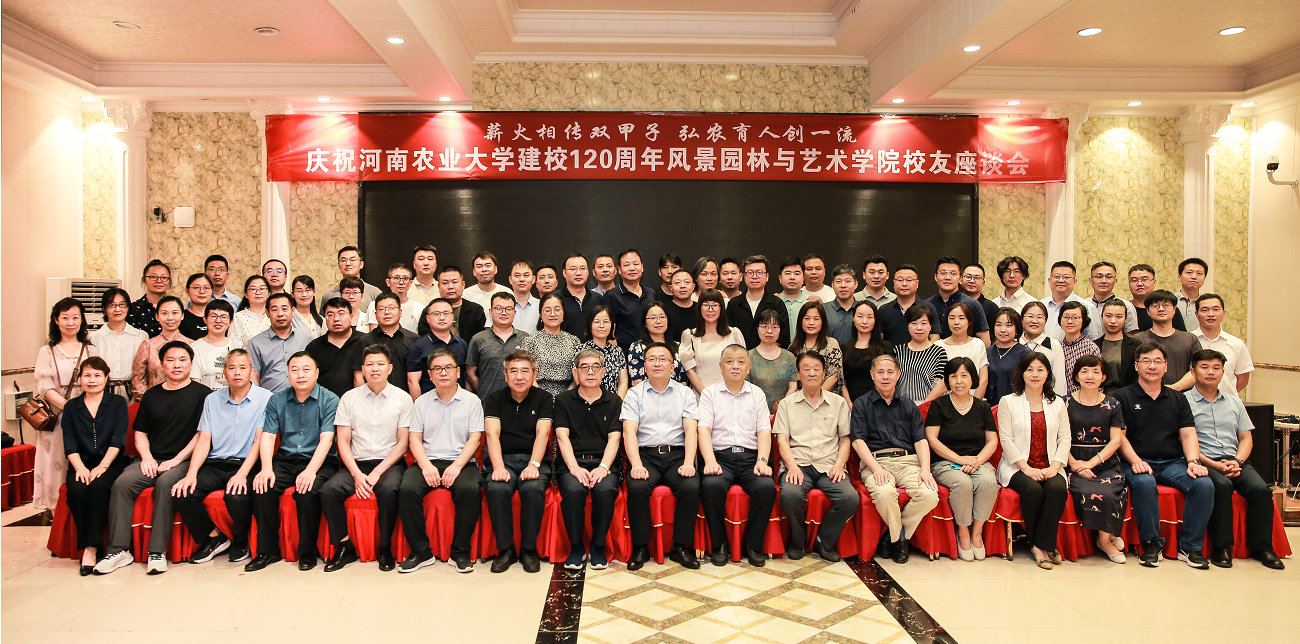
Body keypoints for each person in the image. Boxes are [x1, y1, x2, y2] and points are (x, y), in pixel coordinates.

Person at [97, 341, 210, 575]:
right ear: (161, 364)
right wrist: (147, 458)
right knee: (122, 484)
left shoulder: (204, 395)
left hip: (184, 461)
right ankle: (119, 550)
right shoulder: (151, 395)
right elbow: (140, 432)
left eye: (182, 360)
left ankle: (156, 551)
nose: (177, 365)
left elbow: (203, 434)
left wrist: (177, 460)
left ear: (191, 364)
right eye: (170, 360)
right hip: (152, 458)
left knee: (166, 484)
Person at [1114, 343, 1213, 568]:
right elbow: (1120, 437)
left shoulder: (1178, 398)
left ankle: (1190, 547)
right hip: (1136, 461)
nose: (1152, 366)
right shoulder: (1122, 397)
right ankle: (1151, 544)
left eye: (1157, 361)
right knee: (1144, 482)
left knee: (1204, 484)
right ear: (1137, 366)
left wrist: (1193, 462)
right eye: (1146, 361)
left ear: (1166, 366)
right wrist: (1136, 461)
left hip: (1172, 462)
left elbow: (1188, 435)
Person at [1185, 349, 1284, 569]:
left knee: (1261, 490)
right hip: (1203, 461)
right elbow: (1184, 441)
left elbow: (1246, 438)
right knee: (1222, 486)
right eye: (1204, 367)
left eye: (1216, 368)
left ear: (1223, 372)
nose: (1211, 372)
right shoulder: (1183, 402)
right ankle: (1222, 548)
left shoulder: (1234, 402)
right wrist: (1213, 464)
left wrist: (1237, 461)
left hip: (1234, 459)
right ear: (1192, 371)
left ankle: (1263, 549)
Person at [172, 350, 271, 566]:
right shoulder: (212, 399)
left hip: (248, 463)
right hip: (216, 463)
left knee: (236, 495)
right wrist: (191, 474)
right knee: (183, 492)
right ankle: (215, 537)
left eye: (242, 368)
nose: (237, 373)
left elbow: (259, 441)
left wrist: (241, 474)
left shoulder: (265, 398)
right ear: (224, 372)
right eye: (232, 368)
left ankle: (241, 540)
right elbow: (204, 440)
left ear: (251, 370)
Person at [320, 345, 411, 572]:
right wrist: (356, 475)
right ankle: (345, 547)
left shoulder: (403, 399)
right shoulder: (349, 398)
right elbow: (343, 441)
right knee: (329, 490)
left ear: (390, 368)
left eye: (380, 364)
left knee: (389, 490)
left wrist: (378, 472)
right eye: (370, 364)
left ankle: (384, 548)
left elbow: (403, 443)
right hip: (357, 463)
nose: (375, 369)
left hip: (389, 463)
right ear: (362, 369)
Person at [247, 352, 339, 572]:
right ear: (288, 374)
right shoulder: (277, 400)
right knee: (262, 487)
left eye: (306, 369)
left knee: (307, 491)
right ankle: (267, 551)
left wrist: (310, 471)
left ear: (317, 373)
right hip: (286, 460)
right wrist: (266, 468)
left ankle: (307, 552)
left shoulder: (330, 399)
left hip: (319, 461)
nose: (300, 375)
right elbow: (268, 436)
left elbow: (327, 439)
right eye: (294, 370)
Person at [851, 353, 939, 564]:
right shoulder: (861, 404)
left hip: (908, 462)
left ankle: (896, 535)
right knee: (884, 493)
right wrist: (876, 469)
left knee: (929, 495)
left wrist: (925, 470)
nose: (885, 376)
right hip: (877, 462)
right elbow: (857, 442)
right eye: (880, 372)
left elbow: (920, 440)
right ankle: (899, 539)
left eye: (890, 372)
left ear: (898, 375)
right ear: (872, 375)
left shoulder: (909, 406)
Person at [622, 343, 702, 570]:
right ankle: (641, 547)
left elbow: (691, 431)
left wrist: (689, 462)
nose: (657, 363)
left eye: (663, 359)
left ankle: (680, 547)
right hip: (646, 456)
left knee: (690, 486)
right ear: (644, 365)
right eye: (652, 359)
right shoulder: (634, 394)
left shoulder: (685, 393)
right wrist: (636, 464)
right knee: (637, 487)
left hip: (676, 455)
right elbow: (629, 432)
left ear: (672, 365)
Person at [698, 345, 776, 567]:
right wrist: (710, 461)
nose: (735, 366)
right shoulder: (709, 394)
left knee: (766, 487)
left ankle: (753, 545)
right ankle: (719, 545)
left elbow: (764, 430)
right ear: (721, 366)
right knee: (711, 486)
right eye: (730, 362)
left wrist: (762, 460)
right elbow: (703, 430)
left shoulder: (757, 393)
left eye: (741, 362)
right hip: (720, 457)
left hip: (751, 457)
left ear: (748, 367)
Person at [774, 351, 856, 562]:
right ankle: (798, 541)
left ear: (824, 373)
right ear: (798, 374)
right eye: (806, 369)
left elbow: (845, 439)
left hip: (829, 465)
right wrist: (791, 466)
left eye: (816, 369)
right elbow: (782, 440)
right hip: (798, 464)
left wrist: (840, 464)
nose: (811, 373)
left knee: (850, 498)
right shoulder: (786, 404)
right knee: (790, 495)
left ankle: (823, 540)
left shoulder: (838, 403)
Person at [996, 352, 1070, 569]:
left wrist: (1055, 466)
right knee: (1033, 490)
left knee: (1057, 489)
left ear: (1047, 374)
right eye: (1030, 370)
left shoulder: (1057, 403)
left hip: (1050, 465)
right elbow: (1006, 439)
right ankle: (1041, 547)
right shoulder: (1008, 401)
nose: (1035, 374)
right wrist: (1026, 469)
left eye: (1040, 370)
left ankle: (1040, 543)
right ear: (1022, 373)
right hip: (1017, 466)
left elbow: (1065, 438)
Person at [482, 350, 553, 574]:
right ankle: (506, 550)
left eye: (525, 371)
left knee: (532, 488)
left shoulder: (544, 399)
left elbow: (543, 434)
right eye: (513, 371)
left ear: (535, 374)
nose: (519, 377)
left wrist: (534, 464)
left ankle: (529, 549)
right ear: (505, 375)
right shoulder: (494, 399)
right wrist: (498, 467)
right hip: (502, 459)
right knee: (497, 488)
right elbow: (492, 434)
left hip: (534, 459)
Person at [553, 349, 623, 570]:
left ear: (603, 372)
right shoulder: (563, 400)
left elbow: (614, 438)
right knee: (574, 491)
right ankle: (576, 548)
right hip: (572, 463)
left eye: (595, 367)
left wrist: (603, 467)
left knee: (605, 490)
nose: (590, 372)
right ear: (575, 372)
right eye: (584, 367)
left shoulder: (614, 401)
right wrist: (574, 468)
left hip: (604, 462)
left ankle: (598, 546)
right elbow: (562, 437)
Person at [928, 357, 1000, 562]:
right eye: (953, 376)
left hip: (977, 461)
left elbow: (992, 441)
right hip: (945, 462)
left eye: (964, 376)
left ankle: (977, 532)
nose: (958, 381)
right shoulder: (939, 405)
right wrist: (960, 460)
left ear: (972, 379)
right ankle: (963, 533)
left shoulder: (982, 407)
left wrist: (977, 461)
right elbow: (932, 440)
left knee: (988, 482)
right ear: (947, 380)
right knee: (962, 483)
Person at [60, 358, 128, 575]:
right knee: (77, 490)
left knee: (98, 487)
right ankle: (90, 545)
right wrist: (80, 468)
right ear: (80, 379)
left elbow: (118, 440)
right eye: (87, 375)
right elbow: (69, 443)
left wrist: (103, 466)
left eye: (98, 375)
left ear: (106, 378)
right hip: (80, 463)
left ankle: (91, 548)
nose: (92, 380)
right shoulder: (71, 407)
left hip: (111, 462)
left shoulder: (117, 403)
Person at [1064, 355, 1129, 564]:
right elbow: (1057, 438)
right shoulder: (1064, 403)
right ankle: (1109, 537)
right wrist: (1075, 465)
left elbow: (1116, 441)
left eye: (1095, 372)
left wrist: (1091, 463)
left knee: (1110, 491)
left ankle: (1104, 540)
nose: (1090, 376)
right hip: (1072, 461)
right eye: (1084, 371)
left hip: (1105, 462)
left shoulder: (1113, 404)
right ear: (1076, 376)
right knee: (1088, 491)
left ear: (1104, 377)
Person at [681, 290, 747, 393]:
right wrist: (707, 396)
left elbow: (743, 364)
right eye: (706, 305)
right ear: (700, 308)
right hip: (701, 395)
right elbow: (690, 371)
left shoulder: (734, 333)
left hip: (731, 393)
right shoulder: (690, 335)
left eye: (715, 305)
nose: (710, 310)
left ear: (721, 308)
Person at [1131, 290, 1197, 390]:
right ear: (1148, 311)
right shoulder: (1137, 340)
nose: (1161, 309)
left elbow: (1198, 369)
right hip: (1147, 395)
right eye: (1155, 305)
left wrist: (1174, 388)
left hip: (1183, 395)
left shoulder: (1190, 339)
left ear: (1174, 309)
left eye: (1166, 305)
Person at [466, 293, 528, 399]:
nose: (504, 313)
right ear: (491, 312)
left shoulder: (525, 338)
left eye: (508, 309)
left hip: (519, 401)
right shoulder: (478, 339)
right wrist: (482, 392)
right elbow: (470, 373)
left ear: (514, 313)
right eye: (498, 308)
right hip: (487, 402)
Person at [90, 287, 147, 400]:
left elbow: (145, 371)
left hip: (132, 392)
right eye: (112, 305)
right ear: (104, 308)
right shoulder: (94, 337)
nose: (117, 309)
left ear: (128, 307)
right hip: (101, 391)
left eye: (122, 305)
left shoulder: (141, 336)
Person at [248, 293, 312, 393]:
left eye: (284, 309)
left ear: (293, 311)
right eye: (274, 310)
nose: (280, 314)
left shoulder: (306, 338)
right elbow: (254, 377)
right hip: (269, 399)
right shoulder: (256, 343)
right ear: (267, 313)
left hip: (302, 399)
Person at [407, 298, 470, 397]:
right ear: (428, 318)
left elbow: (466, 377)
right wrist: (419, 405)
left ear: (452, 317)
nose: (442, 318)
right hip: (429, 402)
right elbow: (412, 381)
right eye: (436, 314)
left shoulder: (462, 344)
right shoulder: (418, 347)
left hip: (458, 402)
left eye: (446, 313)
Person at [523, 293, 583, 396]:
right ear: (541, 315)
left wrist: (566, 397)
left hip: (568, 396)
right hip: (536, 395)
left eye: (557, 309)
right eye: (547, 310)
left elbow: (578, 373)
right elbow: (526, 372)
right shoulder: (530, 341)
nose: (553, 314)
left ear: (563, 313)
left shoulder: (574, 341)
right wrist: (542, 398)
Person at [1193, 294, 1253, 396]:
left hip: (1227, 403)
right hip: (1193, 403)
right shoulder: (1187, 341)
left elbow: (1243, 378)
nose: (1211, 314)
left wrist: (1224, 397)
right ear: (1196, 314)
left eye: (1216, 309)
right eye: (1205, 310)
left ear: (1224, 313)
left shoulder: (1237, 344)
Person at [130, 296, 188, 401]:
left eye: (175, 313)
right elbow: (137, 380)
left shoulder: (192, 345)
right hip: (154, 402)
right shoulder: (148, 345)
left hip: (185, 401)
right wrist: (150, 399)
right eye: (164, 313)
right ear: (157, 316)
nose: (170, 318)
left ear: (182, 315)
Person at [725, 255, 790, 349]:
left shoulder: (777, 304)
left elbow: (783, 338)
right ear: (744, 276)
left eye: (759, 272)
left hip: (768, 356)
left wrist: (760, 353)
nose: (754, 276)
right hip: (740, 356)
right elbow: (728, 335)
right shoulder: (733, 304)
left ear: (767, 276)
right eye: (750, 272)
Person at [306, 298, 365, 398]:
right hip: (324, 403)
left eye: (341, 313)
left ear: (351, 317)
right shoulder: (314, 347)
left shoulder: (365, 341)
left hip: (357, 402)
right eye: (330, 315)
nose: (336, 319)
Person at [359, 292, 418, 391]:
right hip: (373, 396)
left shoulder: (414, 340)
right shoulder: (364, 341)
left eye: (391, 308)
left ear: (400, 312)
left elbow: (416, 377)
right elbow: (359, 375)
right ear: (375, 314)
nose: (387, 312)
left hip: (405, 396)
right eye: (381, 309)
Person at [601, 249, 656, 348]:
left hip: (651, 350)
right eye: (626, 265)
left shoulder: (651, 293)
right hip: (625, 352)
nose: (632, 268)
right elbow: (608, 330)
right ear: (619, 269)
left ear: (642, 267)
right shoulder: (611, 296)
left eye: (636, 264)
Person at [841, 300, 893, 404]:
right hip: (851, 404)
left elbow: (891, 378)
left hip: (879, 403)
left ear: (875, 320)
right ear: (853, 319)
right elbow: (842, 382)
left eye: (870, 317)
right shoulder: (844, 348)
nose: (864, 321)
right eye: (860, 316)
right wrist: (850, 405)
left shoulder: (885, 347)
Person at [928, 257, 990, 344]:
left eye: (953, 273)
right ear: (935, 277)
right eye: (943, 273)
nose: (947, 277)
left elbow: (985, 340)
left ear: (960, 278)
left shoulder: (973, 304)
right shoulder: (927, 305)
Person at [627, 301, 689, 388]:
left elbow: (683, 381)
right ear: (645, 323)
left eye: (662, 317)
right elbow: (636, 381)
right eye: (653, 318)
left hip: (674, 394)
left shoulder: (678, 347)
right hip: (646, 394)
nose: (658, 321)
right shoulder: (637, 347)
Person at [747, 309, 798, 413]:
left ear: (780, 330)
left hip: (784, 410)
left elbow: (793, 388)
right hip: (755, 411)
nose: (769, 331)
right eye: (765, 327)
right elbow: (746, 389)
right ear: (757, 329)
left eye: (774, 327)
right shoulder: (748, 357)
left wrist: (780, 410)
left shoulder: (789, 357)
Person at [877, 264, 939, 347]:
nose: (904, 284)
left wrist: (925, 352)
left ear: (917, 283)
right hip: (891, 354)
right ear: (894, 283)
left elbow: (935, 336)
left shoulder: (928, 308)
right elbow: (879, 339)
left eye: (909, 280)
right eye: (900, 280)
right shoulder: (884, 310)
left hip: (921, 354)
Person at [895, 305, 947, 403]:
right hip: (901, 405)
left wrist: (923, 406)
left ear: (930, 326)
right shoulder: (898, 351)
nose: (919, 328)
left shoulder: (939, 352)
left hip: (929, 405)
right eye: (914, 323)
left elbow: (941, 385)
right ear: (908, 326)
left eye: (924, 323)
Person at [788, 301, 843, 393]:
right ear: (801, 321)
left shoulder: (831, 344)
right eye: (807, 318)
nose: (811, 323)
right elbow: (792, 379)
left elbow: (833, 376)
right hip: (800, 397)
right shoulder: (793, 347)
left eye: (816, 319)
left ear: (823, 322)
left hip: (826, 396)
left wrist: (816, 396)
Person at [936, 303, 988, 399]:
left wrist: (975, 404)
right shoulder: (938, 346)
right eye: (952, 318)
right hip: (946, 402)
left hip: (974, 400)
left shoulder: (978, 344)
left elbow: (983, 379)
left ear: (969, 322)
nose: (956, 322)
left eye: (961, 318)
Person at [1092, 300, 1142, 395]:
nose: (1113, 321)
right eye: (1108, 316)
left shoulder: (1136, 346)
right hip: (1098, 396)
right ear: (1101, 317)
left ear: (1125, 319)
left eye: (1119, 316)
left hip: (1128, 396)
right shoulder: (1093, 346)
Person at [578, 306, 629, 398]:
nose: (601, 326)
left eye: (606, 322)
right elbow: (578, 380)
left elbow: (623, 383)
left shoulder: (617, 351)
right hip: (587, 401)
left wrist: (617, 402)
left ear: (611, 325)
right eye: (597, 322)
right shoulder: (581, 350)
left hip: (614, 402)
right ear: (590, 325)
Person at [1019, 301, 1067, 396]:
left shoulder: (1053, 345)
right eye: (1030, 316)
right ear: (1021, 319)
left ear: (1045, 321)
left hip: (1046, 399)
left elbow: (1059, 379)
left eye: (1039, 317)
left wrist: (1056, 400)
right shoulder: (1015, 343)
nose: (1034, 321)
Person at [986, 308, 1029, 406]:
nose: (1003, 330)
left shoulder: (1025, 354)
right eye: (998, 325)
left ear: (1017, 328)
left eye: (1008, 325)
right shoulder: (986, 352)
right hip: (990, 406)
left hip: (1016, 406)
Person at [1084, 262, 1138, 338]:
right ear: (1090, 281)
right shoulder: (1083, 304)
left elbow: (1131, 335)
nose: (1103, 281)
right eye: (1099, 277)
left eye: (1108, 277)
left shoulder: (1126, 306)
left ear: (1115, 282)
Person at [1058, 301, 1102, 394]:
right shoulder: (1056, 346)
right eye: (1066, 317)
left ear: (1083, 321)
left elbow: (1097, 379)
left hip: (1084, 398)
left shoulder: (1091, 348)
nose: (1070, 321)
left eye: (1075, 318)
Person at [1128, 264, 1187, 332]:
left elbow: (1181, 335)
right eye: (1134, 280)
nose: (1139, 284)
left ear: (1154, 282)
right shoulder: (1126, 309)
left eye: (1144, 280)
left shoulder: (1167, 309)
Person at [365, 264, 423, 334]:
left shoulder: (419, 308)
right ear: (388, 282)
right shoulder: (375, 305)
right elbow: (373, 334)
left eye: (405, 278)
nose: (401, 282)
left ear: (411, 283)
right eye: (396, 278)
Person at [189, 300, 235, 389]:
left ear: (231, 321)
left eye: (223, 317)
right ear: (205, 319)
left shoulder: (237, 346)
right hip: (205, 396)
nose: (218, 321)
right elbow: (195, 382)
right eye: (213, 316)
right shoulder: (195, 347)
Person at [434, 265, 487, 341]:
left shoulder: (476, 310)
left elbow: (480, 340)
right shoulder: (430, 311)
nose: (450, 287)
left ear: (463, 285)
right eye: (445, 283)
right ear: (439, 286)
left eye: (454, 282)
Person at [321, 246, 382, 310]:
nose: (348, 263)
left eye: (352, 260)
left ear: (361, 264)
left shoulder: (374, 293)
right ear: (338, 265)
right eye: (343, 260)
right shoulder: (328, 295)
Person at [1041, 261, 1089, 341]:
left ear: (1075, 282)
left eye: (1066, 277)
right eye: (1057, 277)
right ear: (1049, 281)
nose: (1061, 280)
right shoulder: (1040, 305)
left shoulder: (1086, 306)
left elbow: (1094, 338)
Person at [127, 259, 172, 337]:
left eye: (164, 277)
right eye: (153, 277)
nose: (159, 281)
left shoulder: (174, 307)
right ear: (144, 280)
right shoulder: (133, 309)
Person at [560, 253, 598, 339]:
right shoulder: (556, 299)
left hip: (592, 347)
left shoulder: (598, 298)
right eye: (573, 269)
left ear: (588, 272)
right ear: (564, 273)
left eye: (582, 268)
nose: (578, 273)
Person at [229, 275, 272, 349]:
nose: (258, 292)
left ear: (269, 293)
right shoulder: (237, 318)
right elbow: (234, 347)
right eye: (253, 289)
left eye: (262, 289)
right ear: (245, 294)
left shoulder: (274, 315)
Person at [824, 264, 859, 346]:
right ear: (832, 285)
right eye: (838, 281)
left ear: (856, 284)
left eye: (848, 281)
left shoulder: (863, 309)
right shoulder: (823, 310)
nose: (843, 285)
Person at [664, 269, 699, 341]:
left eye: (687, 282)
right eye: (677, 283)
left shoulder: (701, 309)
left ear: (693, 286)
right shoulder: (664, 311)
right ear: (671, 287)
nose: (682, 286)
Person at [776, 257, 809, 334]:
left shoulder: (810, 303)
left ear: (803, 279)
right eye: (788, 273)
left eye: (797, 273)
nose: (792, 277)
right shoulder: (774, 302)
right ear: (780, 278)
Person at [508, 260, 541, 334]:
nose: (522, 279)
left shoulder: (541, 305)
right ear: (510, 280)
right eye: (517, 276)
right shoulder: (502, 307)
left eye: (526, 276)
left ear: (533, 279)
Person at [1176, 258, 1208, 331]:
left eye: (1199, 273)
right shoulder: (1169, 301)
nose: (1194, 277)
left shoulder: (1207, 304)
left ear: (1204, 279)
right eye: (1189, 272)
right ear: (1179, 277)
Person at [179, 273, 213, 341]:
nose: (202, 291)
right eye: (196, 287)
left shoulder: (218, 317)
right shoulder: (181, 318)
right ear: (187, 291)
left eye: (206, 288)